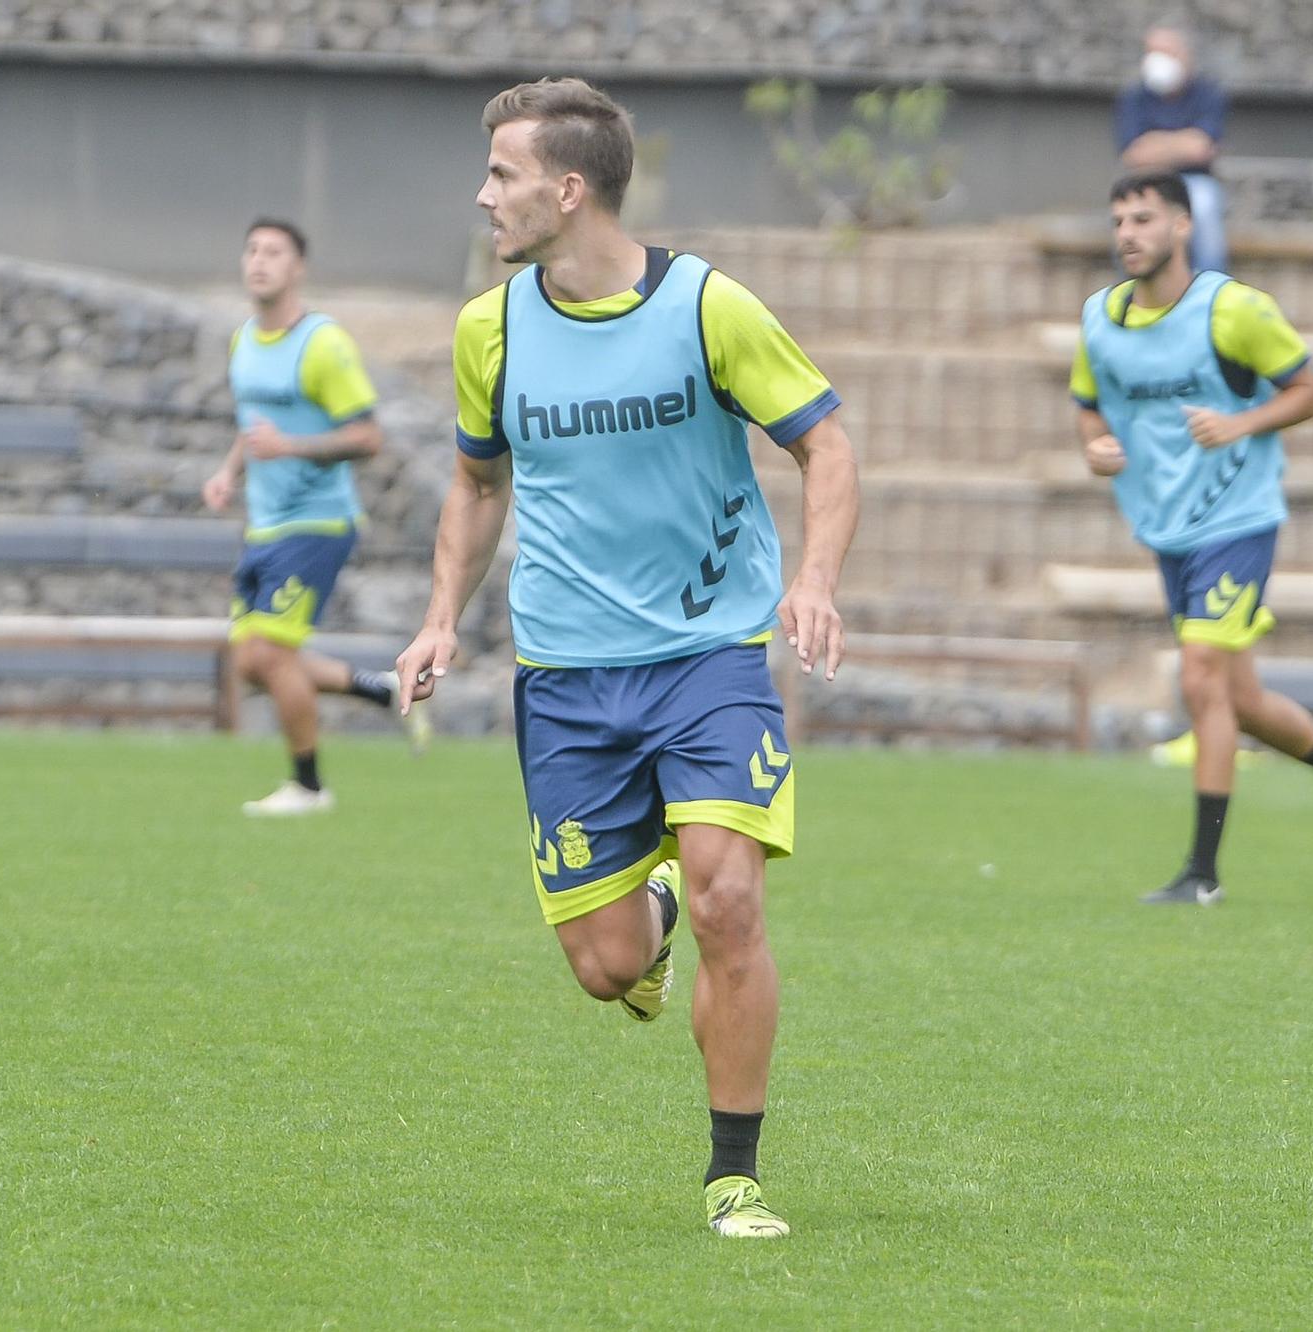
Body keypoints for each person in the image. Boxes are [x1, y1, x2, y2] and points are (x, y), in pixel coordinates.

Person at [396, 78, 859, 1239]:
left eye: (500, 173)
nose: (483, 194)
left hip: (706, 657)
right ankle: (641, 913)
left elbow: (826, 443)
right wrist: (439, 614)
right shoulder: (487, 328)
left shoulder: (707, 308)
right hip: (564, 680)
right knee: (604, 967)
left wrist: (811, 583)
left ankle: (731, 1174)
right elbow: (473, 481)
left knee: (729, 898)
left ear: (565, 187)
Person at [1071, 171, 1313, 905]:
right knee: (1239, 699)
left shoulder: (1235, 310)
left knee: (1199, 681)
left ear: (1183, 227)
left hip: (1238, 517)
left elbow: (1309, 392)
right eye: (1119, 219)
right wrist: (1095, 445)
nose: (1128, 233)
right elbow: (1090, 407)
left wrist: (1239, 424)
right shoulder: (1099, 319)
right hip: (1168, 527)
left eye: (1144, 219)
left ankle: (1202, 875)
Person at [203, 218, 428, 818]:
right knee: (251, 661)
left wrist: (291, 448)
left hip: (318, 521)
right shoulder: (243, 341)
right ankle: (376, 688)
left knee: (270, 656)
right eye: (251, 249)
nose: (259, 261)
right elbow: (253, 425)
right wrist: (232, 470)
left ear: (298, 267)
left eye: (273, 252)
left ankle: (308, 786)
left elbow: (368, 435)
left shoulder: (323, 343)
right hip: (264, 523)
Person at [1116, 24, 1228, 273]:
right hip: (1147, 182)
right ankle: (1132, 292)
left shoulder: (1207, 93)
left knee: (1205, 208)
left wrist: (1155, 143)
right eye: (1151, 52)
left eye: (1165, 52)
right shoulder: (1134, 96)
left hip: (1195, 182)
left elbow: (1201, 149)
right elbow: (1134, 155)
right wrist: (1181, 142)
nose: (1157, 60)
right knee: (1129, 217)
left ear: (1184, 55)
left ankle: (1209, 292)